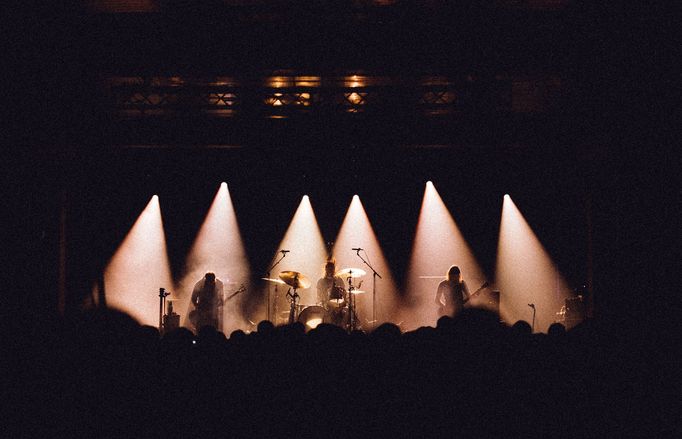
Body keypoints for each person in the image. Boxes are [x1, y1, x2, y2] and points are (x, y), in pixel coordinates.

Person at [316, 259, 346, 326]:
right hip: (325, 307)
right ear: (326, 269)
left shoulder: (339, 280)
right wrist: (324, 303)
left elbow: (344, 294)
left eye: (332, 269)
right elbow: (319, 297)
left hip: (338, 307)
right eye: (328, 268)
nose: (330, 270)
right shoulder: (321, 281)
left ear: (334, 269)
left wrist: (341, 306)